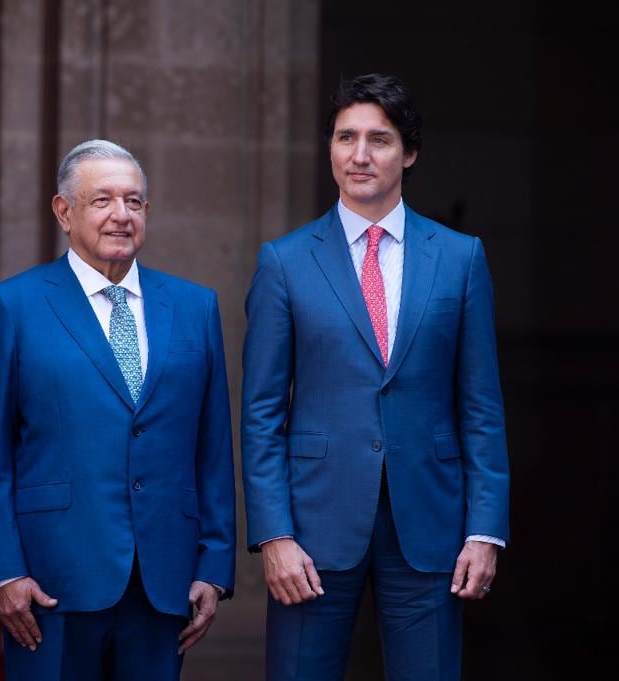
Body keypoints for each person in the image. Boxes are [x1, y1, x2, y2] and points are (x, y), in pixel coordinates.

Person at [241, 73, 510, 680]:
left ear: (409, 152)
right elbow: (261, 411)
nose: (359, 155)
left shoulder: (461, 258)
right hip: (311, 530)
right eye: (346, 137)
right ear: (331, 148)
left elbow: (482, 408)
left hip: (432, 525)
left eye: (379, 139)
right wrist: (273, 534)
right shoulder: (283, 261)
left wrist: (485, 530)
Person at [0, 139, 236, 680]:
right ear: (64, 212)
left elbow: (212, 449)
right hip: (50, 583)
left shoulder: (194, 307)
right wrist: (2, 571)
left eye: (134, 202)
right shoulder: (12, 306)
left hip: (164, 581)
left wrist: (214, 565)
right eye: (103, 201)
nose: (121, 215)